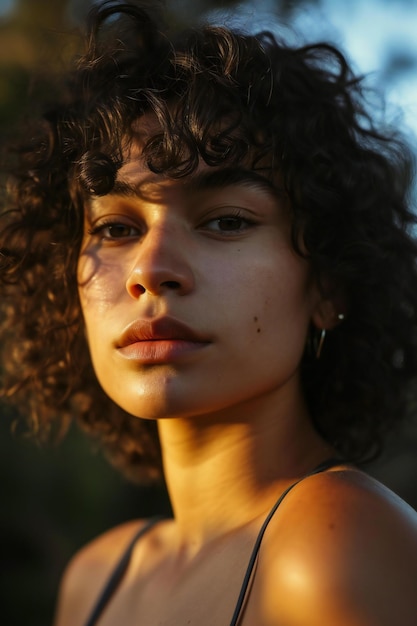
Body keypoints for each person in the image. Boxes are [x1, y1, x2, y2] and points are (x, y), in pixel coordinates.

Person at [1, 0, 417, 624]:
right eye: (115, 228)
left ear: (328, 284)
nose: (150, 269)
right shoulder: (96, 578)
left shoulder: (336, 548)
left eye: (227, 221)